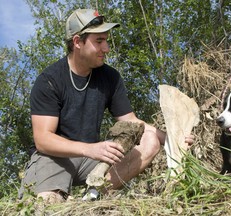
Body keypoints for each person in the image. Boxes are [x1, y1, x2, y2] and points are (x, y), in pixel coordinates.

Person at [18, 8, 193, 202]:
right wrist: (89, 149)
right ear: (77, 42)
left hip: (91, 159)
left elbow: (132, 122)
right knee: (48, 204)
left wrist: (173, 139)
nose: (106, 48)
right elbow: (43, 139)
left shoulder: (110, 77)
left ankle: (92, 196)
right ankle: (55, 195)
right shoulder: (50, 80)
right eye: (99, 41)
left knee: (150, 141)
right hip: (54, 157)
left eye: (106, 40)